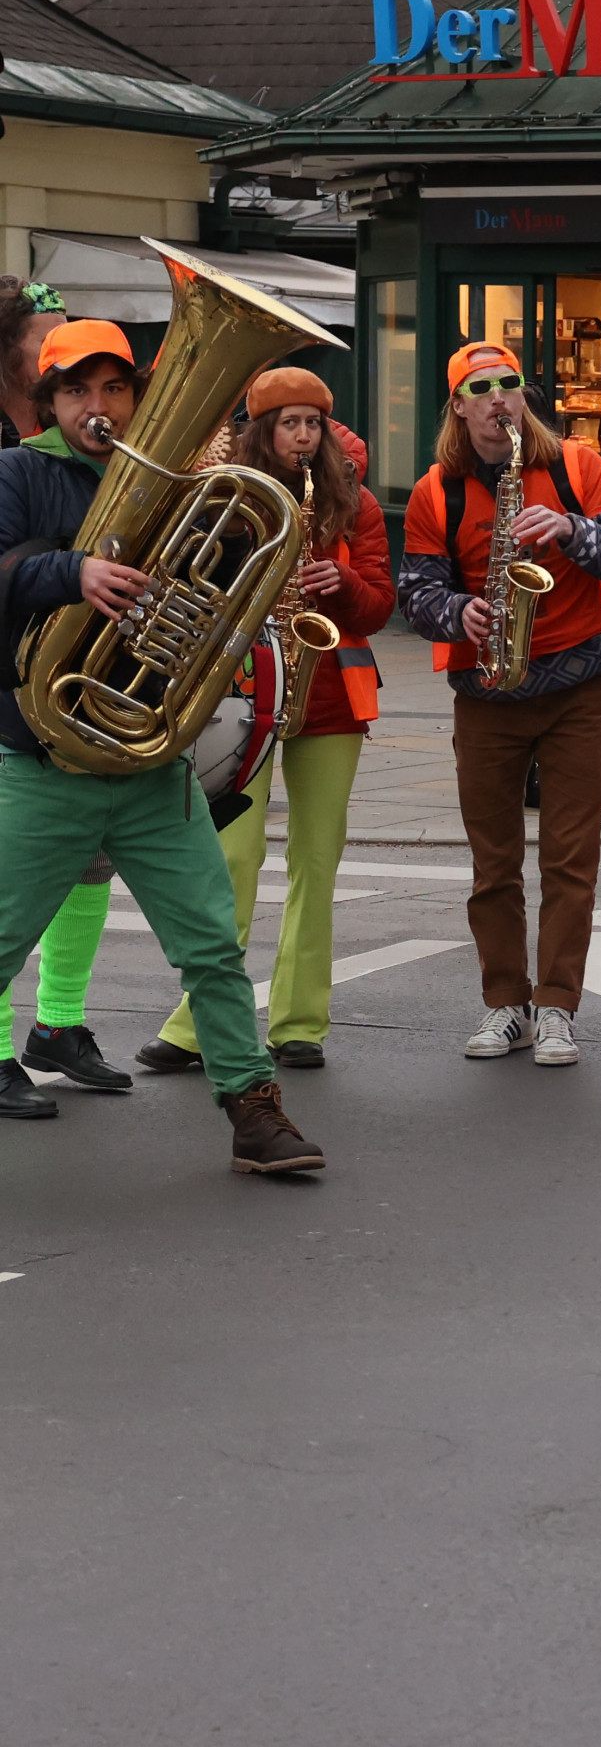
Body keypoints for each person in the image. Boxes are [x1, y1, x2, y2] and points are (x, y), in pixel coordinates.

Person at [0, 321, 322, 1169]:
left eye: (113, 390)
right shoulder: (19, 473)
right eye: (76, 391)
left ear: (137, 399)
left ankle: (254, 1110)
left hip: (149, 765)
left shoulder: (185, 489)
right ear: (50, 401)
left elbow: (220, 613)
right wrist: (71, 572)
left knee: (212, 947)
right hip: (46, 756)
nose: (95, 407)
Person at [138, 368, 392, 1081]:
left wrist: (342, 584)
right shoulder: (228, 501)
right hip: (240, 696)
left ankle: (300, 1023)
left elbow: (378, 607)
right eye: (289, 423)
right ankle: (198, 1024)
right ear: (262, 431)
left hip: (332, 698)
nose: (303, 436)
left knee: (317, 859)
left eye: (313, 423)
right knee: (232, 859)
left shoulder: (356, 504)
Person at [397, 340, 601, 1069]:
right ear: (459, 405)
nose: (500, 398)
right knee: (493, 863)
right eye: (483, 387)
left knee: (572, 860)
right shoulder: (435, 490)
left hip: (576, 689)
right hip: (486, 692)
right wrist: (457, 614)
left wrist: (571, 530)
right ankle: (506, 1003)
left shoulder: (575, 465)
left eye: (510, 384)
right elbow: (415, 591)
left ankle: (559, 1007)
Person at [0, 278, 114, 1113]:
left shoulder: (84, 442)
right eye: (50, 337)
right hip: (9, 676)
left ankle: (59, 1024)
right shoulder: (17, 452)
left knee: (86, 863)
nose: (61, 345)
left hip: (77, 686)